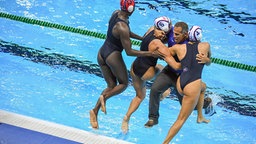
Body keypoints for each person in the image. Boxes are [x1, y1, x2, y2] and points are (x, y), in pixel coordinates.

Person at [89, 0, 159, 129]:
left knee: (111, 85)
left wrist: (142, 39)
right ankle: (104, 97)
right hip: (112, 55)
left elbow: (127, 33)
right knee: (123, 84)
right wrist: (150, 53)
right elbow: (129, 52)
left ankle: (94, 112)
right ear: (131, 9)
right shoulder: (123, 27)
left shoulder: (116, 13)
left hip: (102, 53)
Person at [144, 22, 211, 127]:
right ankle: (153, 118)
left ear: (185, 35)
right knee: (154, 90)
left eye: (177, 35)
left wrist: (206, 59)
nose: (174, 36)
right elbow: (155, 28)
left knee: (189, 106)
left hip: (182, 77)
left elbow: (204, 62)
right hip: (169, 72)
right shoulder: (171, 33)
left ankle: (206, 103)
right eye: (174, 33)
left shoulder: (192, 46)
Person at [121, 16, 180, 133]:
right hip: (147, 72)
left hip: (135, 67)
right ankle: (164, 93)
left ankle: (126, 117)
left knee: (140, 96)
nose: (163, 35)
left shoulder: (150, 29)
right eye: (161, 32)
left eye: (165, 33)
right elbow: (173, 63)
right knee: (165, 71)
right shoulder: (158, 45)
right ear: (157, 28)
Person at [162, 25, 211, 143]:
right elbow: (209, 62)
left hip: (180, 83)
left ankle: (200, 116)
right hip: (192, 86)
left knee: (203, 87)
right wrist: (207, 60)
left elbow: (162, 52)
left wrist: (171, 61)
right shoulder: (206, 46)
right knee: (181, 120)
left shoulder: (179, 47)